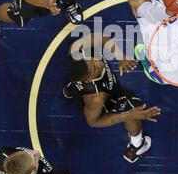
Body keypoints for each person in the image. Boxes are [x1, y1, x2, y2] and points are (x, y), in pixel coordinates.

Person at [63, 32, 161, 163]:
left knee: (77, 87)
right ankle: (137, 146)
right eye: (94, 67)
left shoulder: (76, 49)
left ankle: (73, 89)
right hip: (106, 102)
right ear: (87, 80)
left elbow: (100, 37)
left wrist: (120, 56)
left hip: (83, 89)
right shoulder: (96, 97)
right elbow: (93, 122)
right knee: (133, 110)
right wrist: (128, 116)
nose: (97, 62)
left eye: (91, 60)